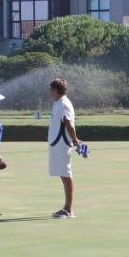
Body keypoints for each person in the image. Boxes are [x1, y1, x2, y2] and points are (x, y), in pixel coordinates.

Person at [48, 78, 81, 219]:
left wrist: (75, 140)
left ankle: (68, 210)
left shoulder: (64, 104)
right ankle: (66, 208)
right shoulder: (58, 103)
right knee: (63, 175)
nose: (50, 92)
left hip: (63, 144)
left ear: (56, 90)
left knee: (66, 175)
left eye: (51, 89)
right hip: (58, 144)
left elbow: (69, 123)